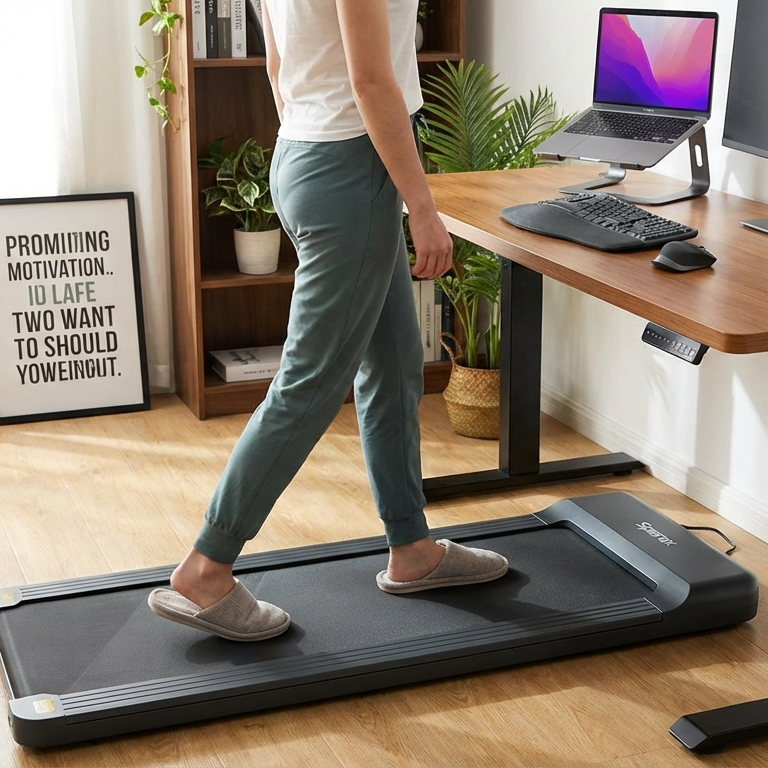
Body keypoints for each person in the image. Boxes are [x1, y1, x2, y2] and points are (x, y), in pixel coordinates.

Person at [148, 0, 508, 642]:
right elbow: (372, 81)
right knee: (309, 386)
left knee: (394, 364)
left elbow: (277, 62)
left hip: (307, 154)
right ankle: (207, 565)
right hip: (353, 169)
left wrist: (316, 145)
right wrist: (420, 208)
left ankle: (412, 550)